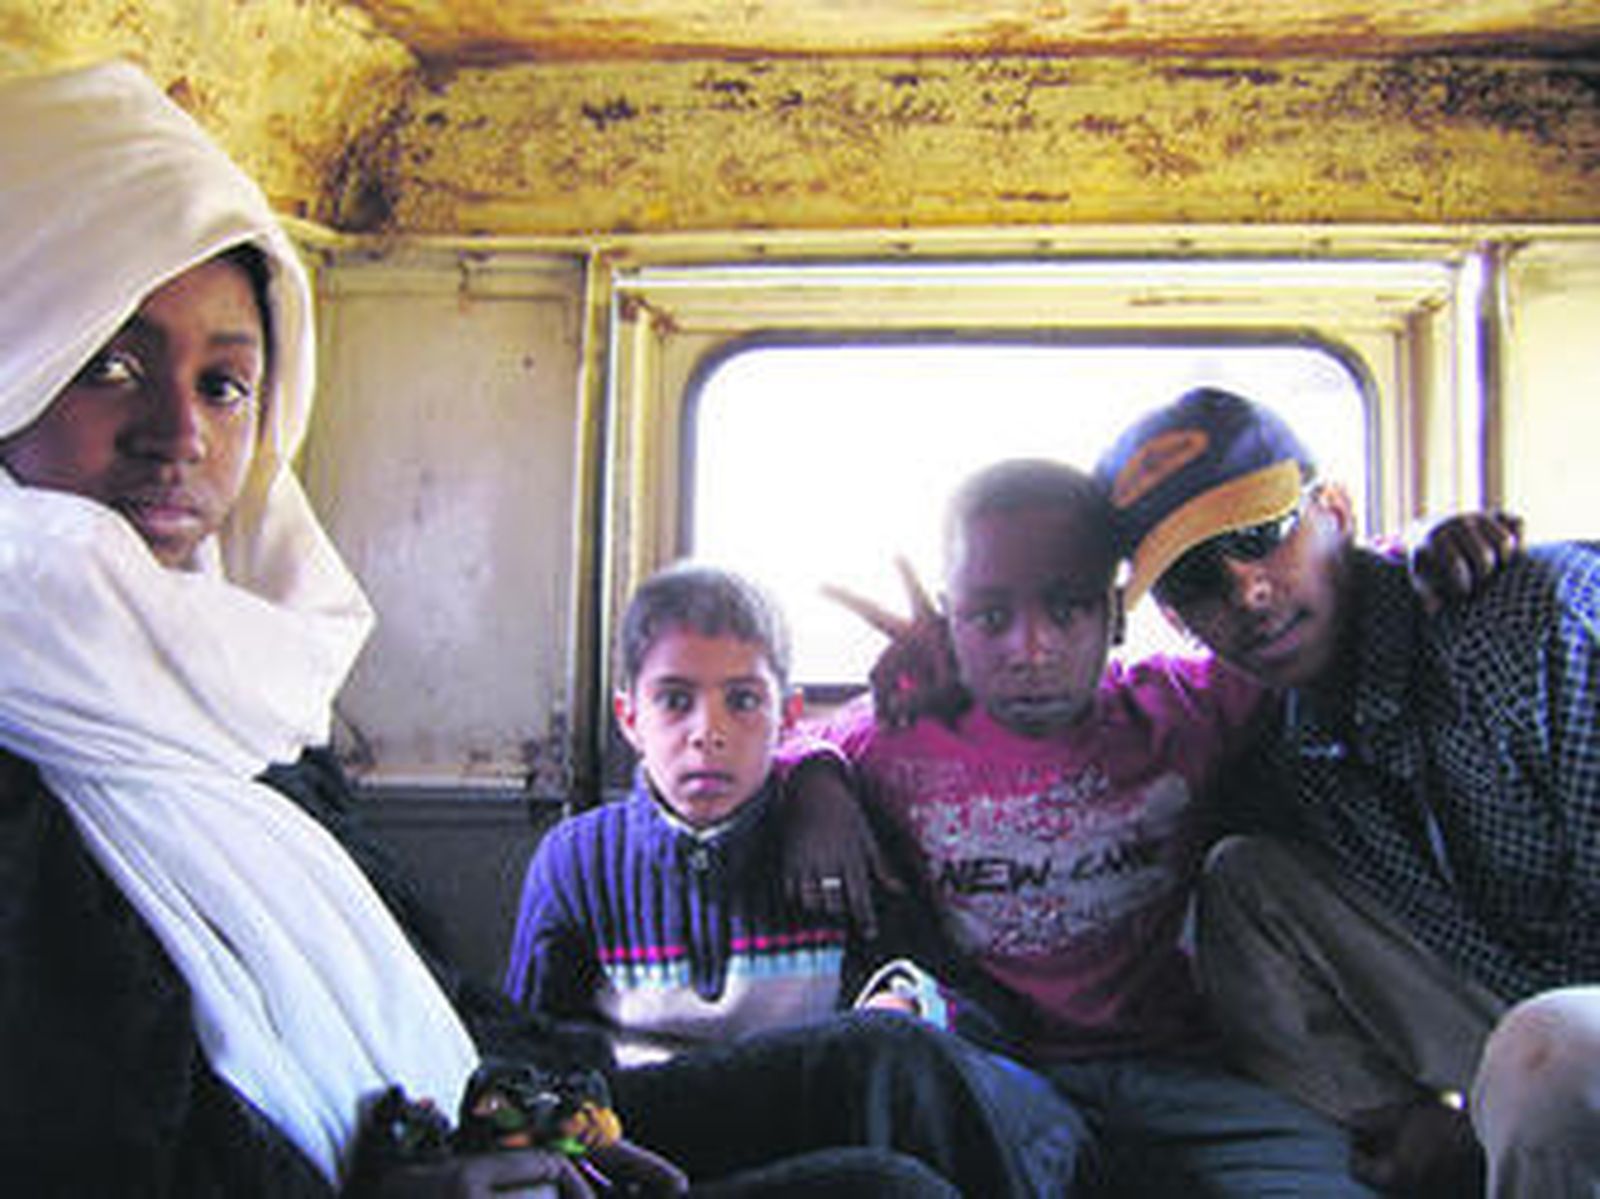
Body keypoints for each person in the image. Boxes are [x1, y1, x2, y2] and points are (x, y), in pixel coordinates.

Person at [0, 58, 705, 1198]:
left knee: (884, 1082)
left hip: (458, 1143)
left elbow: (438, 1000)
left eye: (225, 384)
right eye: (106, 365)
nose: (177, 431)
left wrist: (550, 1122)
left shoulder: (245, 705)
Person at [795, 457, 1389, 1195]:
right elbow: (796, 745)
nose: (1030, 647)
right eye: (990, 617)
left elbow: (1346, 590)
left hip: (1187, 1066)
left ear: (1114, 616)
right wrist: (816, 783)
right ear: (950, 620)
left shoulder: (1180, 708)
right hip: (1007, 1065)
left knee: (1336, 1179)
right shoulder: (900, 735)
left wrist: (1428, 544)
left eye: (1067, 608)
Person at [1096, 385, 1600, 1197]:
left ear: (1335, 508)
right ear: (1175, 617)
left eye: (1262, 536)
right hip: (1519, 1027)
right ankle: (1427, 1148)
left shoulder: (1528, 627)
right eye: (1195, 580)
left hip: (1569, 1036)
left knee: (1557, 1047)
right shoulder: (1285, 739)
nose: (1247, 593)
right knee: (1245, 883)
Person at [505, 561, 1079, 1198]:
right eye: (674, 700)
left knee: (903, 1095)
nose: (708, 733)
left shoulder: (843, 846)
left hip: (809, 1138)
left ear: (789, 716)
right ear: (629, 718)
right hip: (642, 1146)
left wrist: (909, 998)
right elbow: (530, 1058)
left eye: (744, 700)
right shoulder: (575, 866)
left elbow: (971, 1014)